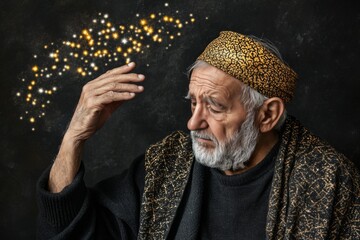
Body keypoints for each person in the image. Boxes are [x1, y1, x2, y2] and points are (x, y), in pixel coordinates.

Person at [37, 31, 360, 239]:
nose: (193, 123)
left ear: (267, 115)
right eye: (193, 103)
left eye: (215, 106)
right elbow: (75, 230)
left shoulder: (329, 179)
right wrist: (74, 138)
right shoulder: (168, 161)